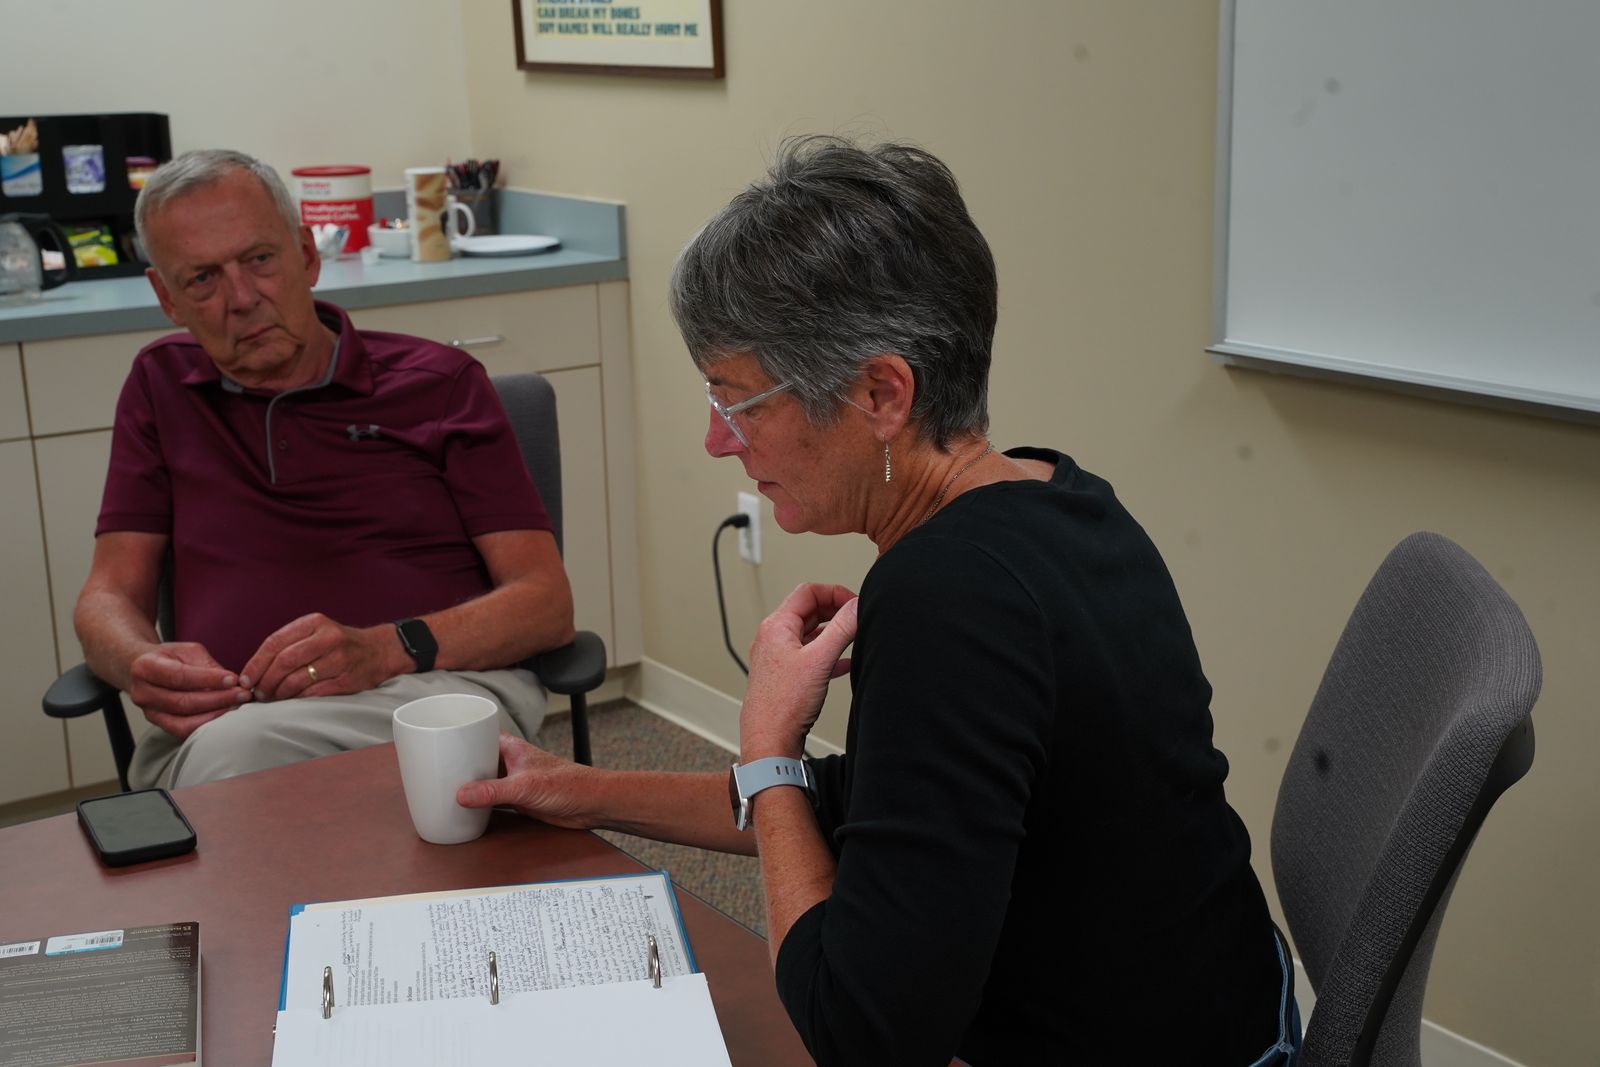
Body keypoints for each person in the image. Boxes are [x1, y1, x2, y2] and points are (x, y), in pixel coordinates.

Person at [458, 136, 1298, 1065]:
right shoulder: (1062, 496)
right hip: (1238, 1010)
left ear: (881, 392)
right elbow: (884, 806)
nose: (716, 440)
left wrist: (767, 742)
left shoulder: (949, 597)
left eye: (737, 401)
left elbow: (861, 1033)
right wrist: (582, 790)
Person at [74, 149, 576, 790]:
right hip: (235, 715)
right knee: (239, 764)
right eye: (202, 278)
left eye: (260, 259)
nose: (242, 298)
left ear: (307, 256)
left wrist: (386, 648)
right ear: (166, 298)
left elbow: (545, 605)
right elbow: (108, 596)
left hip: (431, 691)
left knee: (238, 778)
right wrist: (139, 661)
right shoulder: (159, 386)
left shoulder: (441, 384)